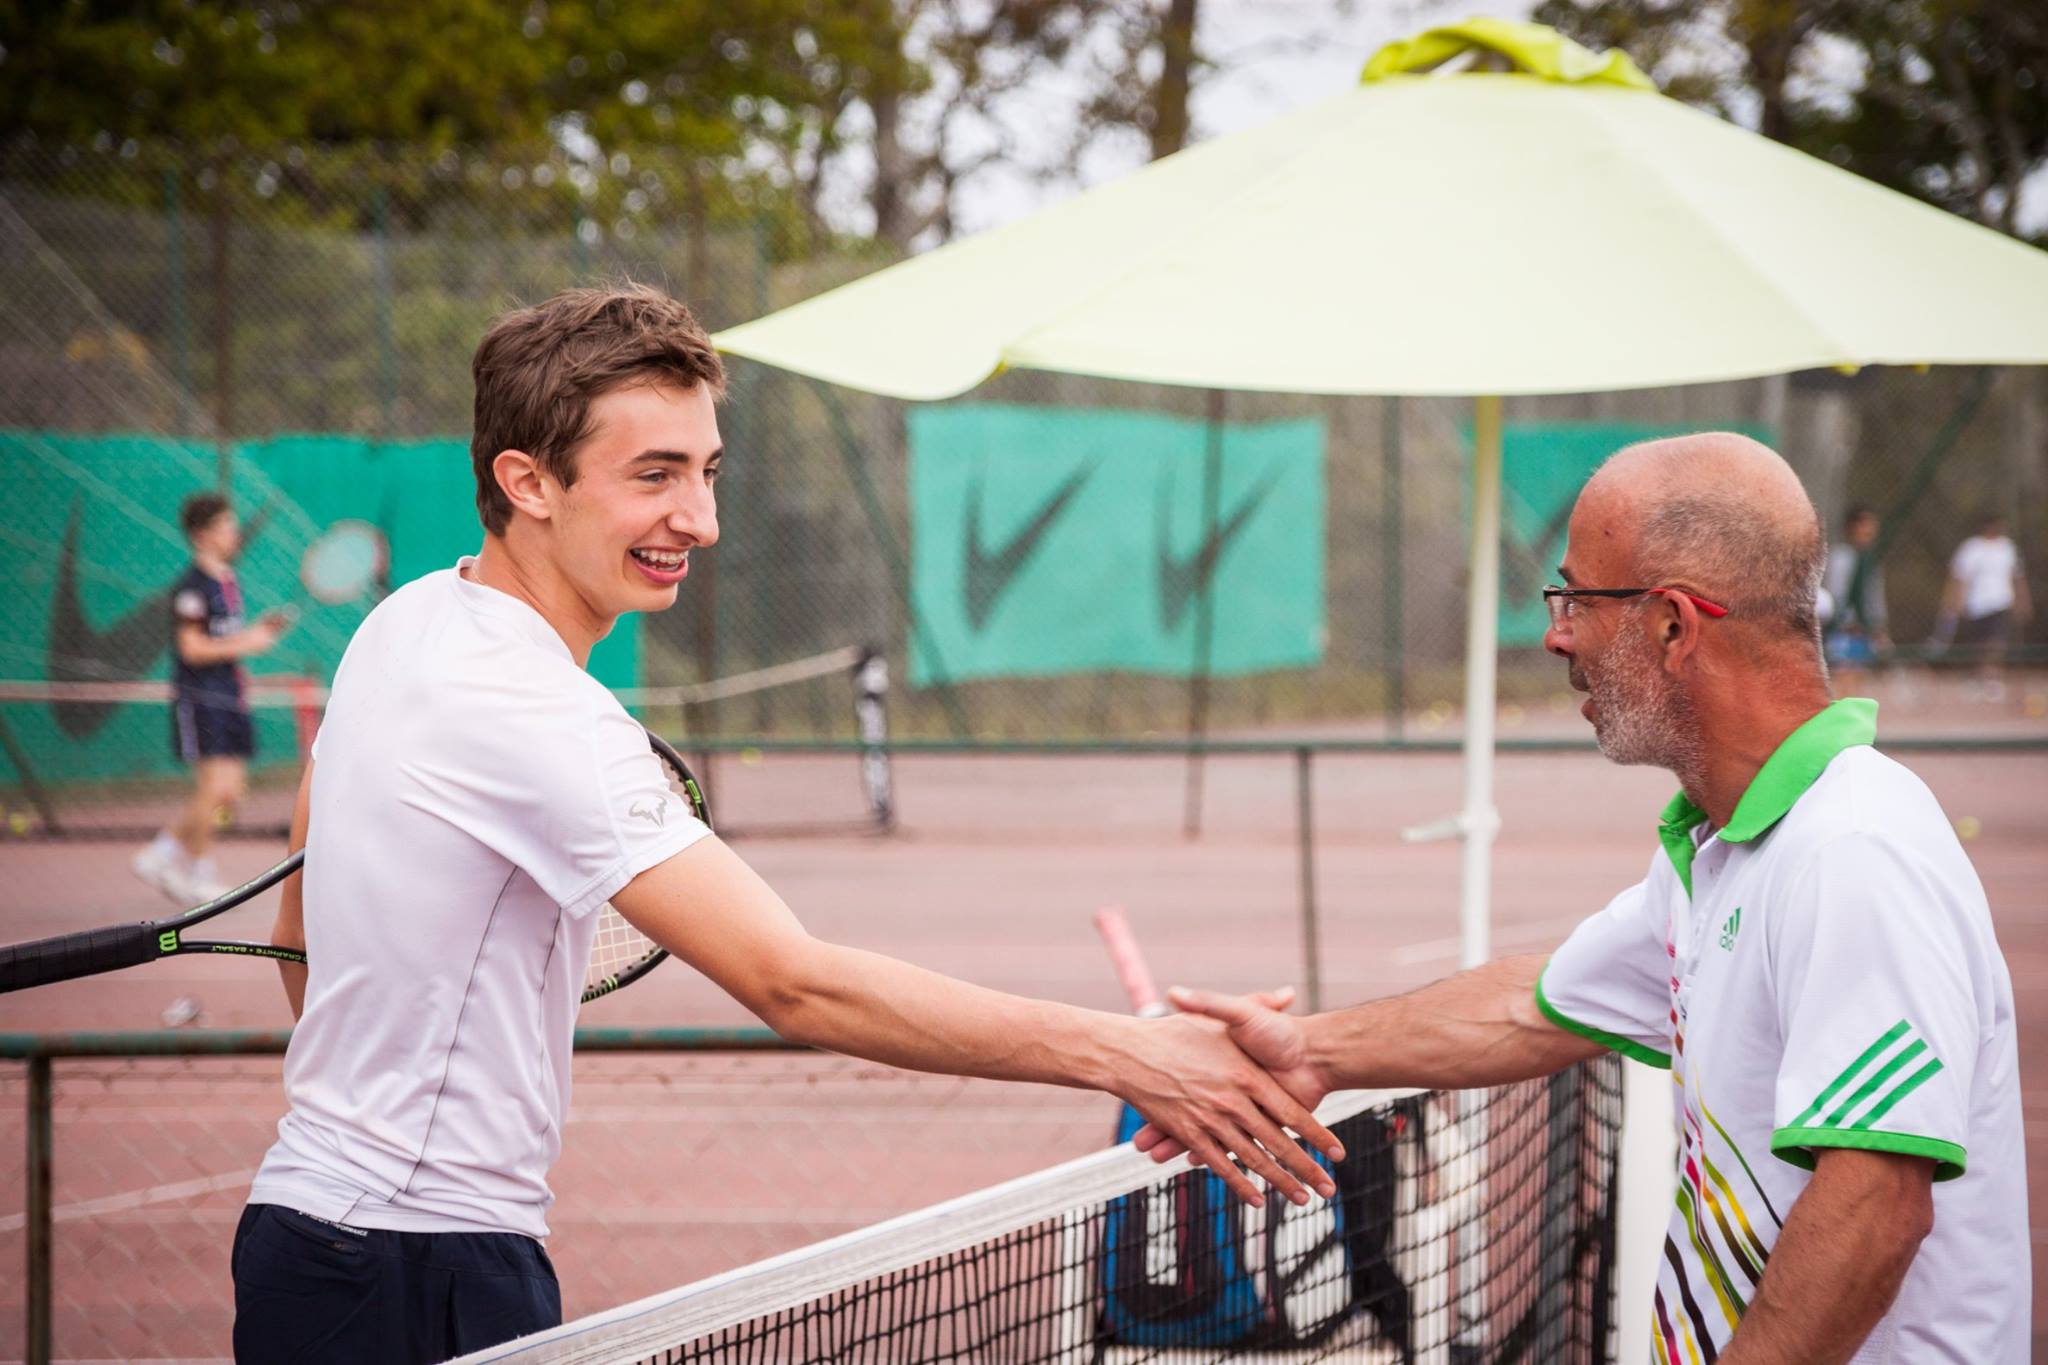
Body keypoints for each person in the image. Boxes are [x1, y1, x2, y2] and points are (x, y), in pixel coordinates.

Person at [234, 285, 1340, 1364]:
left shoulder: (406, 622)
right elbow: (795, 984)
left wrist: (374, 1094)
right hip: (415, 1268)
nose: (699, 520)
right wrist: (1131, 1053)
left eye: (707, 473)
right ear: (527, 481)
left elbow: (299, 932)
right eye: (653, 476)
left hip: (302, 1234)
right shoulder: (543, 718)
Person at [1140, 434, 2027, 1362]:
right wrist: (1312, 1051)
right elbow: (1534, 1006)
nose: (1556, 633)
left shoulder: (1853, 849)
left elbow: (1875, 1207)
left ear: (1674, 624)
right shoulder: (1724, 847)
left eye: (1574, 597)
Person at [132, 494, 291, 905]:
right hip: (201, 698)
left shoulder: (226, 581)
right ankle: (199, 871)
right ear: (202, 535)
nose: (233, 533)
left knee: (232, 790)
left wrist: (258, 632)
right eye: (224, 526)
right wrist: (248, 642)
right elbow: (192, 649)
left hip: (230, 696)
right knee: (213, 786)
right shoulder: (191, 588)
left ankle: (162, 853)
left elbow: (226, 639)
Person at [1937, 513, 2031, 700]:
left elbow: (2017, 577)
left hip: (2001, 601)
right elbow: (1959, 577)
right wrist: (1955, 601)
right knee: (1979, 643)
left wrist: (2023, 601)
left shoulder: (2007, 548)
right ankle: (1979, 676)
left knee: (1996, 641)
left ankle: (1991, 677)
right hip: (1977, 603)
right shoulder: (1972, 548)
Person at [1822, 504, 1887, 696]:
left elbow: (1875, 596)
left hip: (1864, 627)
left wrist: (1878, 624)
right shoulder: (1840, 556)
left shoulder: (1871, 560)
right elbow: (1836, 592)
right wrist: (1846, 620)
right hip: (1844, 627)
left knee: (1859, 673)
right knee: (1842, 672)